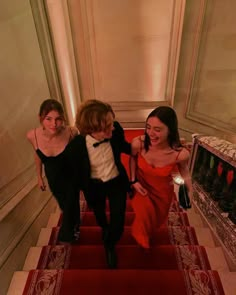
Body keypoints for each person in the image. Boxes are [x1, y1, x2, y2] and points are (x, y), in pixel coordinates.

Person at [65, 99, 131, 268]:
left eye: (111, 122)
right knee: (99, 214)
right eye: (106, 127)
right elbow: (72, 174)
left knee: (119, 222)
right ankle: (104, 229)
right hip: (94, 186)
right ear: (91, 130)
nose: (113, 128)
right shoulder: (76, 147)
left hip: (116, 182)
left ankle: (110, 243)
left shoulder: (116, 131)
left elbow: (125, 147)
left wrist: (150, 146)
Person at [129, 106, 193, 249]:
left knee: (155, 220)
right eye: (148, 127)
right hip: (141, 186)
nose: (151, 133)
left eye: (157, 130)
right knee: (143, 215)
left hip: (162, 193)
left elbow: (185, 171)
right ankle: (141, 240)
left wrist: (190, 190)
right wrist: (133, 180)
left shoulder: (180, 154)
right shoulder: (138, 143)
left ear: (170, 130)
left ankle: (146, 234)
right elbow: (132, 159)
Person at [26, 99, 80, 244]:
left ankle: (67, 234)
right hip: (53, 180)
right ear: (40, 118)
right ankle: (75, 225)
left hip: (71, 177)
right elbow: (37, 154)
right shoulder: (32, 136)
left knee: (70, 204)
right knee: (65, 206)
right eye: (48, 119)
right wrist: (39, 176)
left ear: (62, 119)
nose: (53, 124)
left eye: (57, 119)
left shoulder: (71, 132)